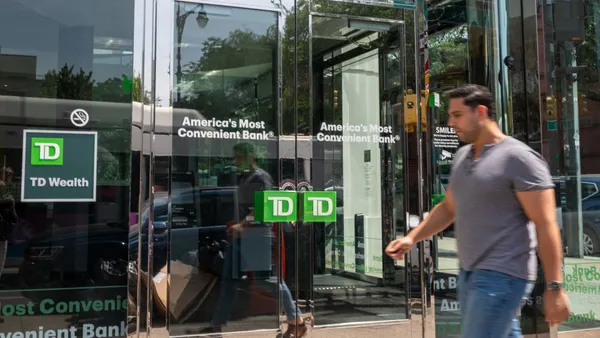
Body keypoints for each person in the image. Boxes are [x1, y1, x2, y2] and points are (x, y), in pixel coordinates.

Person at [386, 84, 570, 338]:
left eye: (457, 115)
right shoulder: (463, 156)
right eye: (450, 115)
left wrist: (555, 287)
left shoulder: (519, 158)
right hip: (470, 273)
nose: (450, 122)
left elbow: (545, 224)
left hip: (503, 276)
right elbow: (449, 207)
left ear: (481, 112)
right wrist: (412, 238)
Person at [202, 143, 307, 338]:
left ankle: (296, 319)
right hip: (242, 237)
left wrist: (241, 225)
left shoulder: (261, 177)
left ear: (251, 156)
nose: (236, 160)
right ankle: (217, 325)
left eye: (240, 156)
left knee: (266, 279)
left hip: (257, 235)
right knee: (229, 280)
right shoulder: (244, 178)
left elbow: (262, 207)